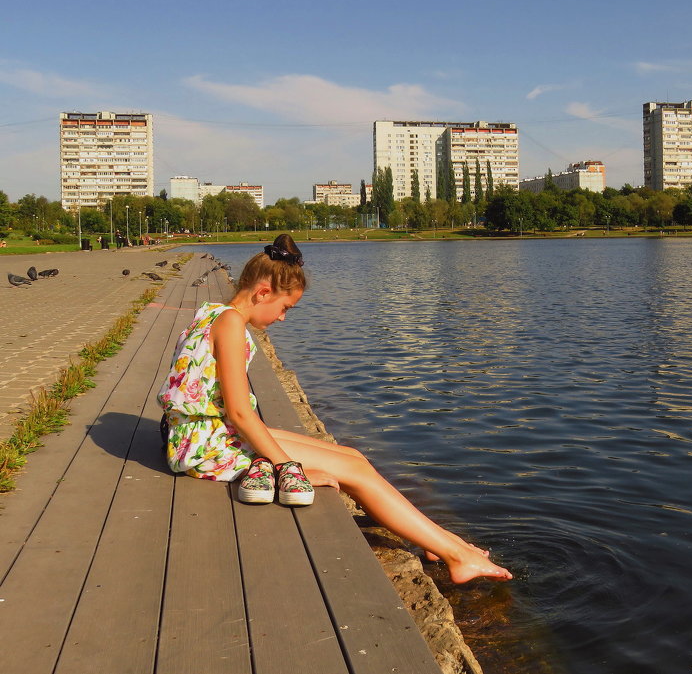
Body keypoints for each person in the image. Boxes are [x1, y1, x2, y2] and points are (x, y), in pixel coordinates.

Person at [158, 234, 511, 584]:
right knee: (354, 473)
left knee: (352, 455)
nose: (282, 318)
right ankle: (457, 557)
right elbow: (238, 413)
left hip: (203, 434)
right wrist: (290, 470)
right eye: (285, 308)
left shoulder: (214, 312)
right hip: (208, 446)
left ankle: (441, 542)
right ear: (263, 292)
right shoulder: (232, 324)